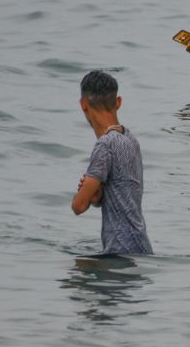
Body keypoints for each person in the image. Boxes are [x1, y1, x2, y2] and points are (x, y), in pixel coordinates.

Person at [71, 70, 153, 255]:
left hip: (119, 251)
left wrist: (84, 195)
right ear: (118, 102)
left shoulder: (105, 145)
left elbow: (78, 206)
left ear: (83, 105)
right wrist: (98, 197)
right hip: (140, 246)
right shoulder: (129, 138)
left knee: (70, 280)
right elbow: (123, 193)